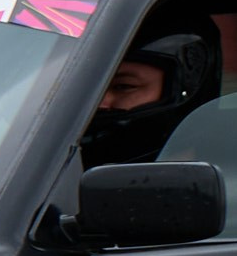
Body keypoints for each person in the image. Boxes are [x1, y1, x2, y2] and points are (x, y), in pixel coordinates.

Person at [81, 31, 216, 168]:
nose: (98, 103)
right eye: (87, 87)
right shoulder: (64, 166)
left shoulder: (230, 177)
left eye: (123, 86)